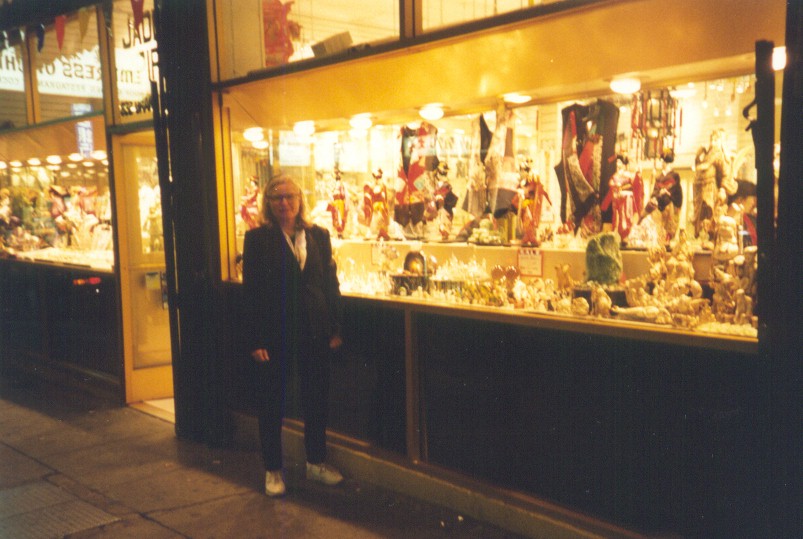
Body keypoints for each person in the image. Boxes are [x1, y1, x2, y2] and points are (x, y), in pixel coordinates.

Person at [242, 174, 344, 497]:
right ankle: (273, 470)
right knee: (272, 402)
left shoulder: (319, 235)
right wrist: (255, 339)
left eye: (289, 196)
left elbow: (330, 284)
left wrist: (335, 327)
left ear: (300, 200)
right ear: (268, 204)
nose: (284, 203)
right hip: (276, 333)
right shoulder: (257, 239)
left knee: (316, 399)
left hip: (314, 330)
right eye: (277, 197)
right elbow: (251, 292)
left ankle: (316, 463)